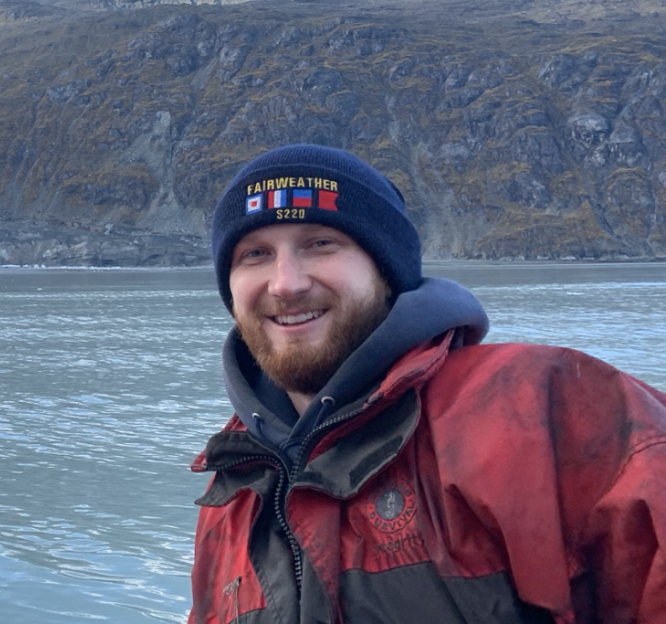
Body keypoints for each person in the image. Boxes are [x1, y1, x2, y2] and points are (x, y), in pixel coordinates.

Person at [188, 144, 666, 624]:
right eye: (256, 254)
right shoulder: (233, 494)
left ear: (387, 270)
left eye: (321, 243)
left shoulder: (547, 408)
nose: (285, 283)